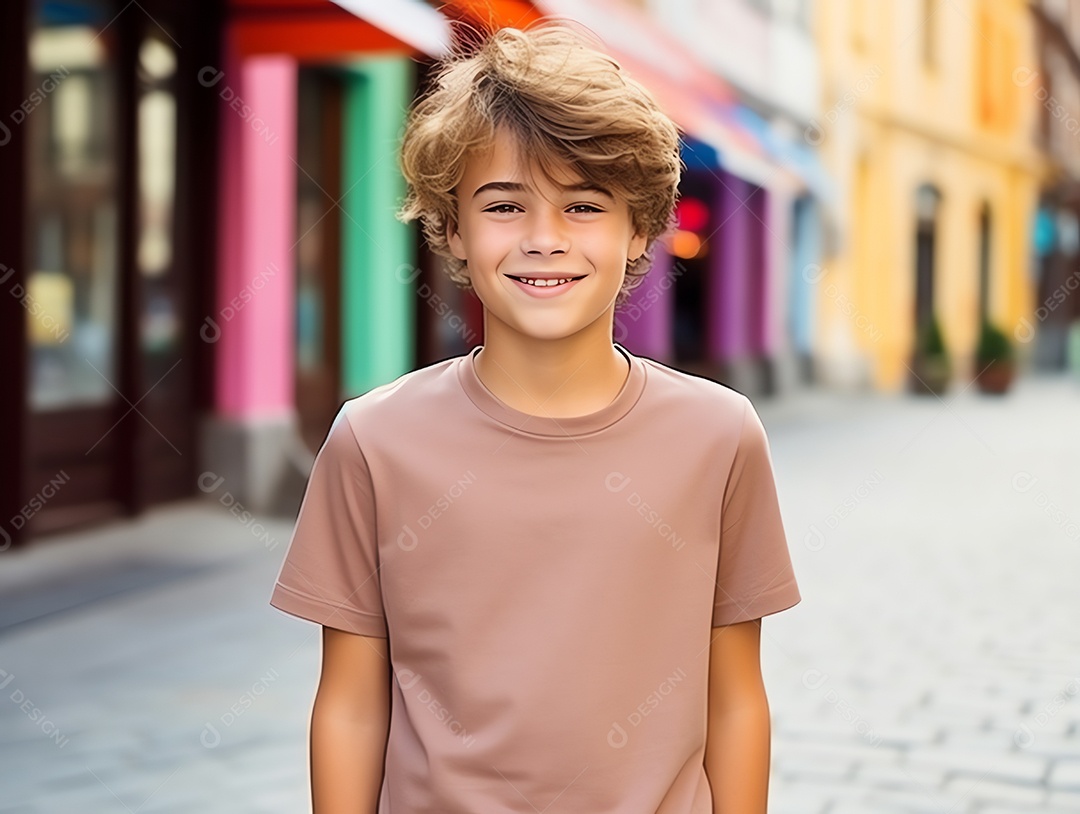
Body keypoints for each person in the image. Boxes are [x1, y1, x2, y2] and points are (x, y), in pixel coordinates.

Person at [269, 18, 802, 814]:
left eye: (584, 205)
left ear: (641, 229)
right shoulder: (374, 441)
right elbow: (349, 704)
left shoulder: (719, 437)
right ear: (451, 227)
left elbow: (736, 699)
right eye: (505, 205)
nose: (544, 240)